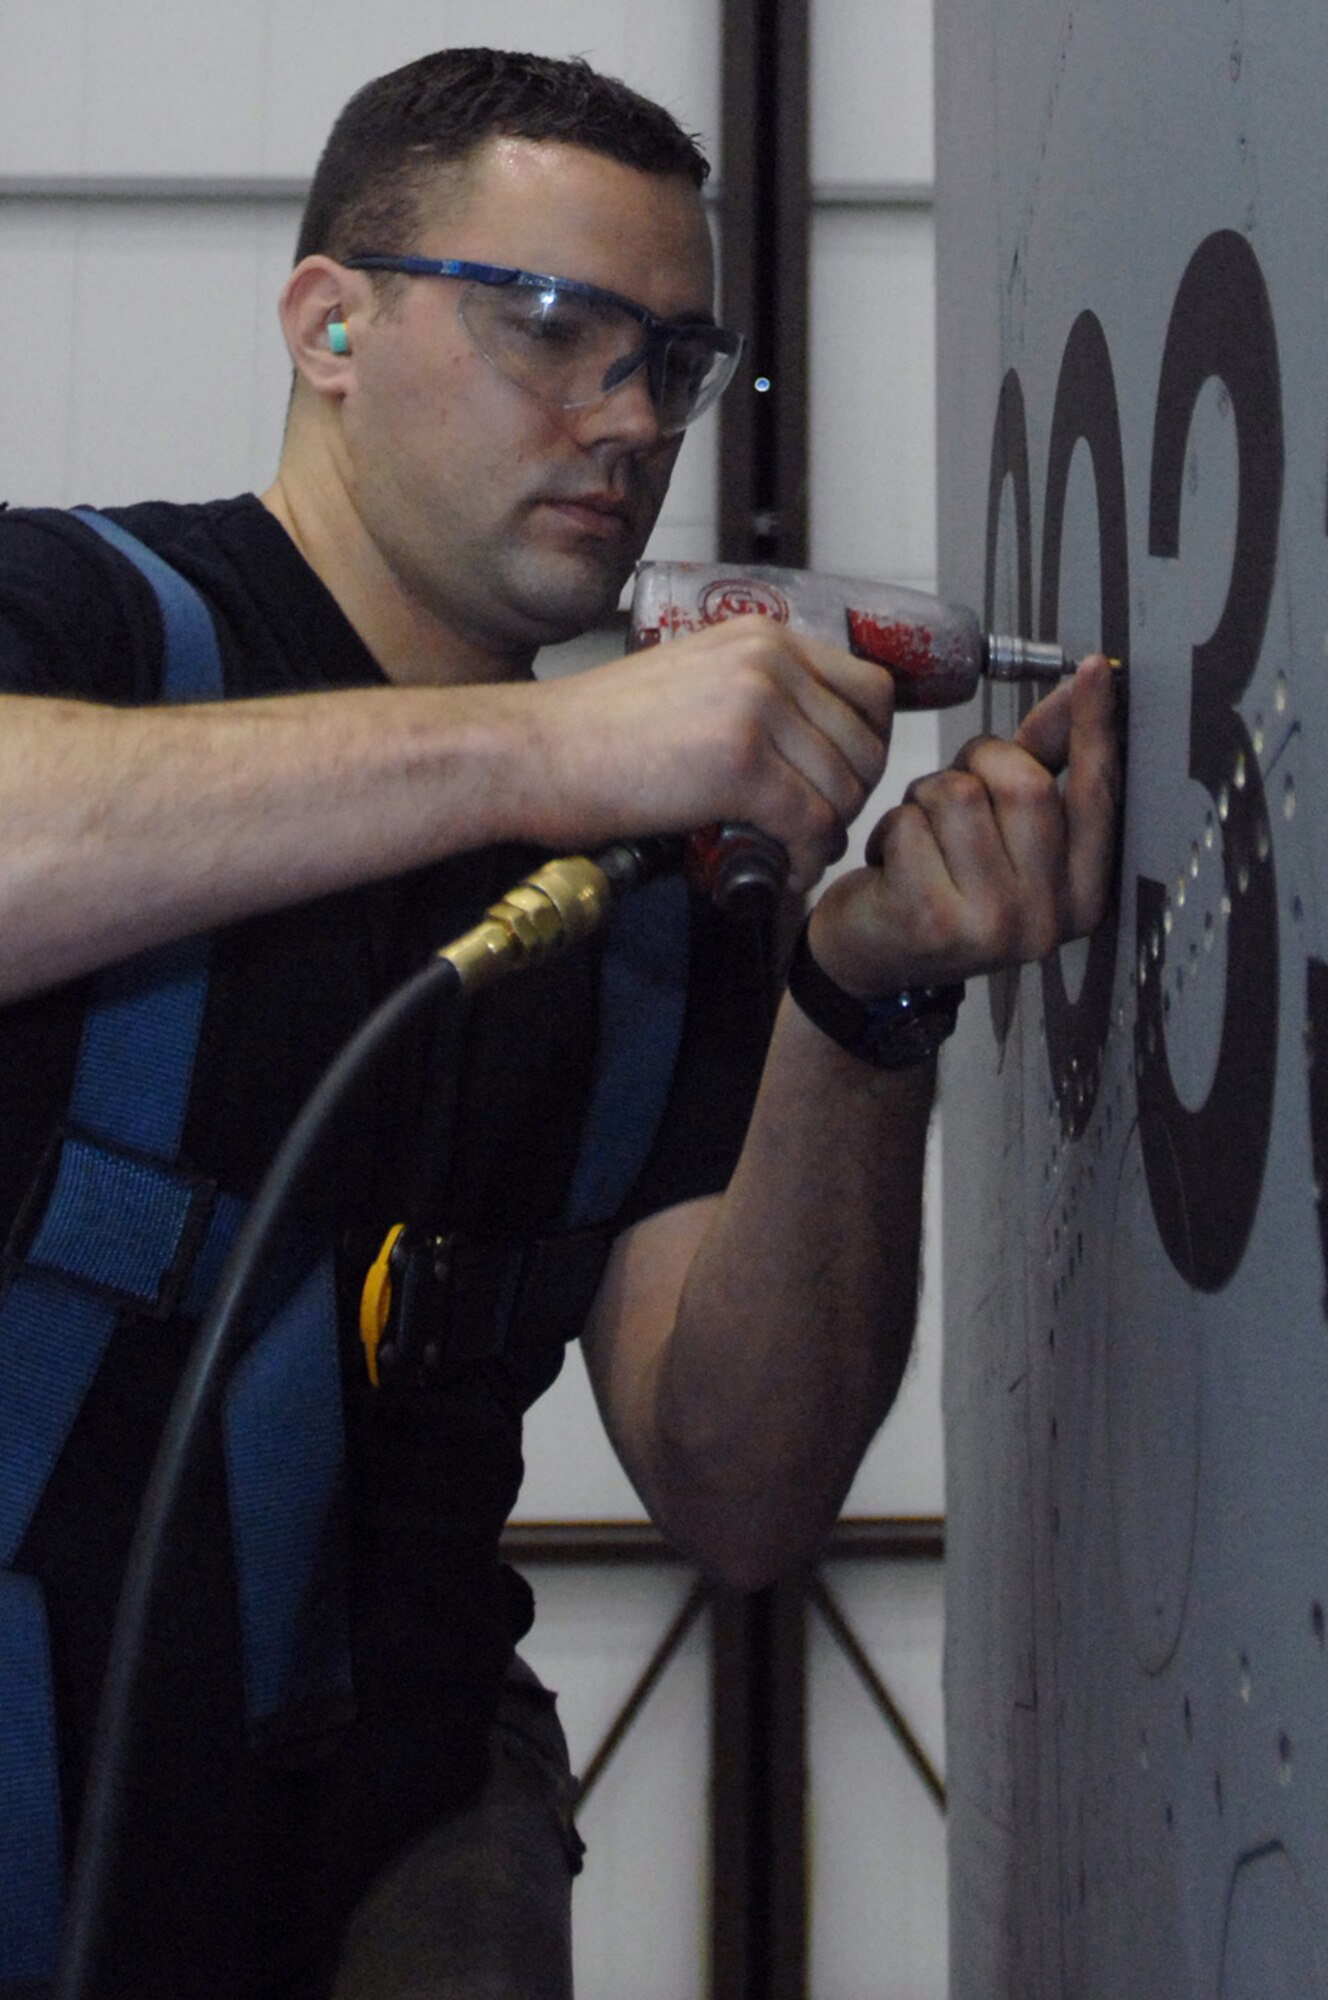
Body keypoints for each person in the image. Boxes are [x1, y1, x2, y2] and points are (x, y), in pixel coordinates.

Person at [0, 45, 1118, 2000]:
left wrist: (861, 1001)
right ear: (327, 323)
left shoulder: (670, 886)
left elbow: (739, 1486)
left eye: (672, 363)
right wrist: (539, 746)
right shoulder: (79, 625)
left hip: (388, 1833)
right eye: (550, 328)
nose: (624, 415)